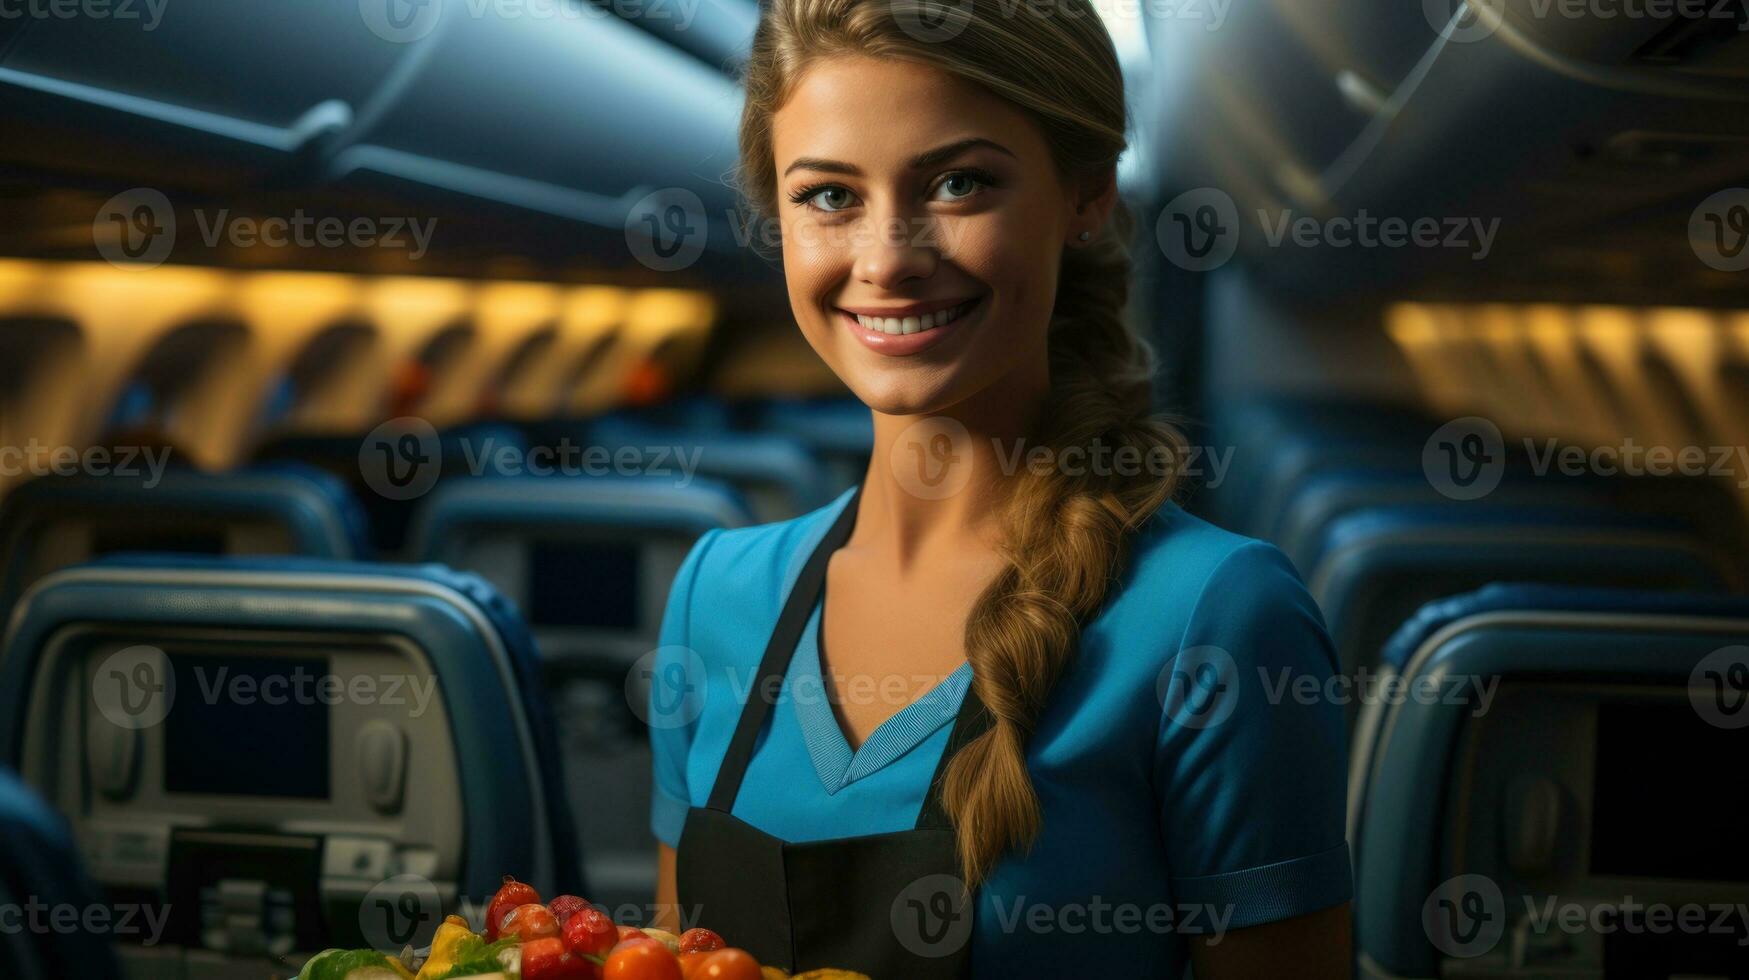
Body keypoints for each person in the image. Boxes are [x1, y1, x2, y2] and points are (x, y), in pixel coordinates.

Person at [647, 0, 1352, 974]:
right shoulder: (714, 592)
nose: (888, 257)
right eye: (829, 196)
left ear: (1088, 194)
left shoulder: (1219, 617)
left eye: (958, 182)